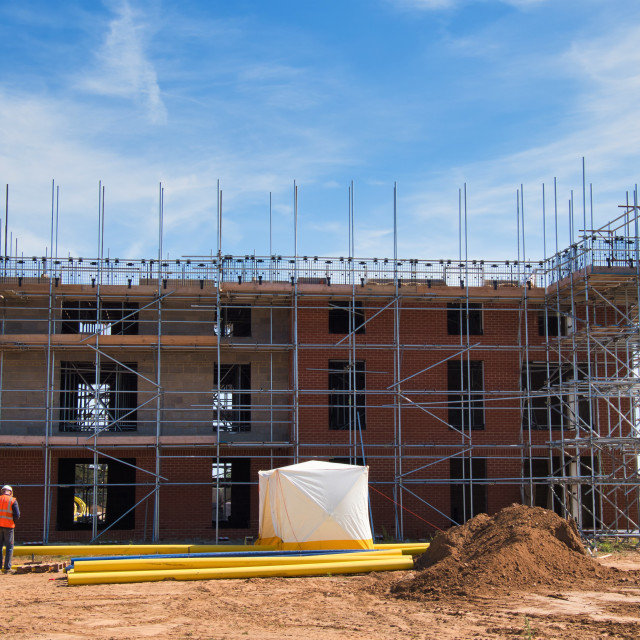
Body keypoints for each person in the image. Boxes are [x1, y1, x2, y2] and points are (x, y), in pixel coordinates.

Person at [0, 485, 20, 574]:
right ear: (10, 492)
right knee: (9, 547)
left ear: (2, 491)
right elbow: (17, 515)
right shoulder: (12, 500)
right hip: (8, 527)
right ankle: (7, 569)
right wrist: (12, 521)